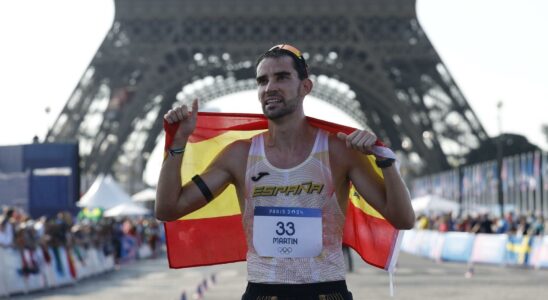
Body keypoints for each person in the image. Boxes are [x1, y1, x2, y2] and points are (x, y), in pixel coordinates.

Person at [156, 44, 415, 300]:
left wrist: (386, 163)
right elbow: (168, 209)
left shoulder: (339, 151)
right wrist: (177, 145)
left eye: (281, 77)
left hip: (326, 290)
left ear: (306, 86)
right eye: (262, 80)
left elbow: (403, 219)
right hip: (262, 292)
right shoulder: (239, 155)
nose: (270, 88)